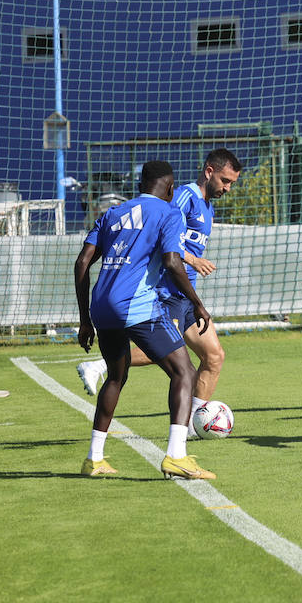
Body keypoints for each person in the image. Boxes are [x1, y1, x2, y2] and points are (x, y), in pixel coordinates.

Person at [76, 149, 243, 431]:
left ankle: (193, 424)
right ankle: (100, 366)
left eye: (232, 184)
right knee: (171, 353)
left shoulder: (207, 206)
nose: (227, 188)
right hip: (166, 289)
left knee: (214, 356)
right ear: (209, 172)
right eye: (225, 181)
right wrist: (191, 259)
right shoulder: (185, 196)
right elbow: (163, 231)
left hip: (185, 294)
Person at [73, 160, 217, 480]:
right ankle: (176, 456)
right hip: (136, 306)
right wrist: (198, 304)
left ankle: (93, 459)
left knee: (115, 377)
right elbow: (172, 261)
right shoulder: (169, 213)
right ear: (169, 188)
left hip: (102, 307)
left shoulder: (111, 214)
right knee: (184, 370)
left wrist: (85, 319)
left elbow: (82, 263)